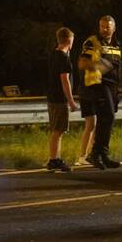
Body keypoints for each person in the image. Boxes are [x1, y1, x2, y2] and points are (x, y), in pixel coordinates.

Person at [78, 15, 122, 169]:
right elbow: (82, 63)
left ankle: (103, 154)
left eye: (108, 27)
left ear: (114, 28)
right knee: (107, 117)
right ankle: (95, 154)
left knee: (107, 120)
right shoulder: (92, 42)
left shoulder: (117, 44)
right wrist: (100, 65)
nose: (104, 29)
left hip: (112, 88)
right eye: (102, 26)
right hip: (98, 85)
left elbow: (117, 68)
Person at [45, 27, 78, 172]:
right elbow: (65, 81)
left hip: (52, 96)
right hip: (60, 98)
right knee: (59, 130)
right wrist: (71, 101)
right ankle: (54, 160)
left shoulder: (53, 55)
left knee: (56, 130)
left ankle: (55, 158)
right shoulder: (64, 59)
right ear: (69, 41)